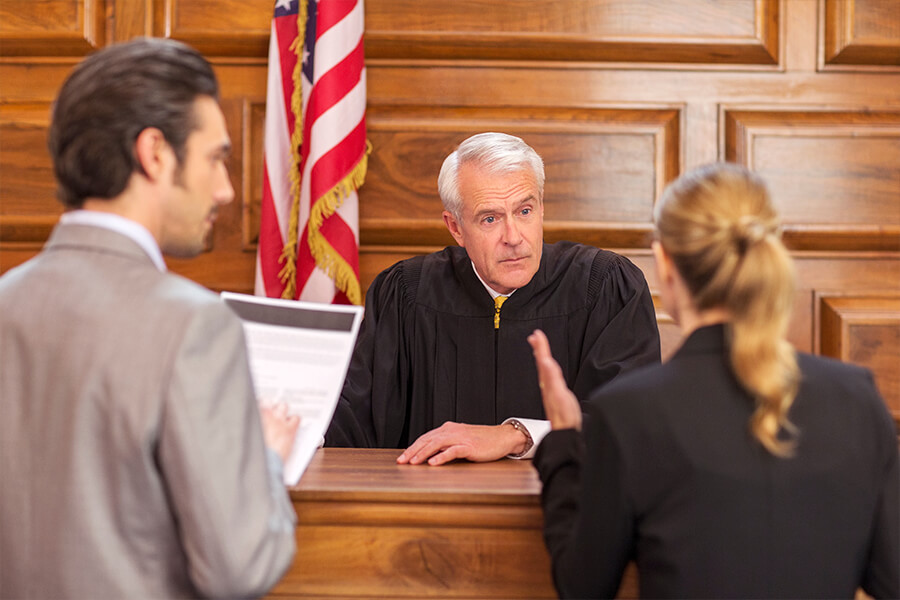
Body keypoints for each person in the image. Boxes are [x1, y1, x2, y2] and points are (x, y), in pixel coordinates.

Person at [0, 38, 300, 599]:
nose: (227, 190)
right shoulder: (194, 326)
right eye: (215, 158)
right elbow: (240, 568)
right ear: (155, 153)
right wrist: (264, 459)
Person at [529, 163, 899, 598]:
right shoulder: (856, 396)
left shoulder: (629, 411)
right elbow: (890, 579)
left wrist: (564, 441)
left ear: (664, 262)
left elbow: (584, 588)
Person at [326, 132, 661, 465]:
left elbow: (632, 425)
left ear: (542, 209)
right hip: (433, 509)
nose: (514, 238)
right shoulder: (405, 295)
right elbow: (352, 428)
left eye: (525, 211)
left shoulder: (605, 286)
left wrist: (515, 435)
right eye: (490, 218)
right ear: (455, 226)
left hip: (566, 509)